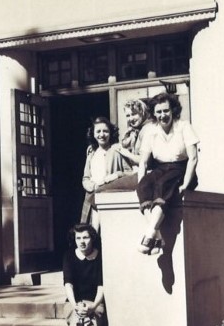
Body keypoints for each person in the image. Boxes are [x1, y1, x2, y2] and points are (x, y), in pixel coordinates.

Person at [136, 92, 199, 255]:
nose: (163, 115)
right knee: (144, 186)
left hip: (181, 169)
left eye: (166, 111)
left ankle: (149, 234)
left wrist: (185, 183)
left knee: (162, 184)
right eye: (159, 112)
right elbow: (143, 162)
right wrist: (140, 182)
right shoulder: (150, 130)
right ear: (154, 113)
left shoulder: (184, 126)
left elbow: (193, 158)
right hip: (160, 169)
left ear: (173, 110)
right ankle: (156, 235)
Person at [62, 223, 109, 326]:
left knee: (89, 317)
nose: (82, 241)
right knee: (80, 315)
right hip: (73, 302)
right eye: (78, 238)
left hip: (95, 302)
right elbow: (68, 284)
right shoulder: (69, 256)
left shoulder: (100, 257)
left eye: (85, 237)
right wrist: (75, 305)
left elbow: (101, 286)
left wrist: (93, 306)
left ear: (92, 238)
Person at [80, 116, 130, 232]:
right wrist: (91, 186)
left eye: (105, 131)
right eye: (98, 131)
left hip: (110, 196)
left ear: (110, 133)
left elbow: (129, 172)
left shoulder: (117, 151)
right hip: (92, 198)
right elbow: (86, 178)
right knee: (92, 232)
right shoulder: (91, 153)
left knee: (109, 231)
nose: (102, 135)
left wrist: (117, 175)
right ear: (93, 134)